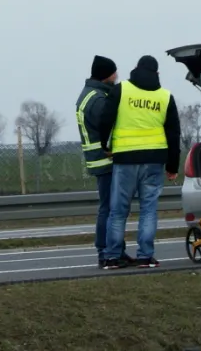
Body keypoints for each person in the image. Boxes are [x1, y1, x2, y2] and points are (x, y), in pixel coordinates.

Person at [99, 55, 181, 270]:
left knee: (118, 210)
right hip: (154, 160)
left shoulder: (122, 89)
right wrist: (173, 167)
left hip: (125, 158)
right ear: (157, 74)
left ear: (136, 68)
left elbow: (106, 118)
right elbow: (173, 134)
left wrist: (104, 145)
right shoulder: (165, 97)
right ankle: (145, 256)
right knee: (148, 210)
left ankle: (112, 257)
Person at [75, 55, 126, 268]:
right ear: (107, 75)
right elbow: (109, 126)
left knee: (112, 208)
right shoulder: (97, 99)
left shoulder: (92, 95)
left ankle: (115, 251)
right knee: (109, 208)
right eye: (114, 73)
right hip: (105, 160)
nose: (116, 76)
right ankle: (106, 252)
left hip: (100, 161)